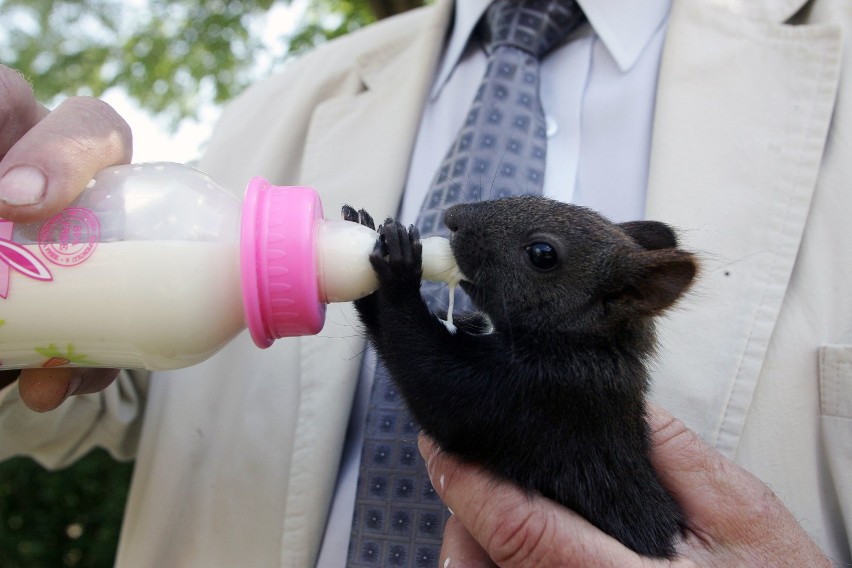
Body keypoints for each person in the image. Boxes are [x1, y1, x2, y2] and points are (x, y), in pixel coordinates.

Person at [1, 0, 850, 566]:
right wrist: (36, 269)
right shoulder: (280, 97)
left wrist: (390, 299)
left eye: (544, 257)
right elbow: (88, 389)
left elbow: (461, 401)